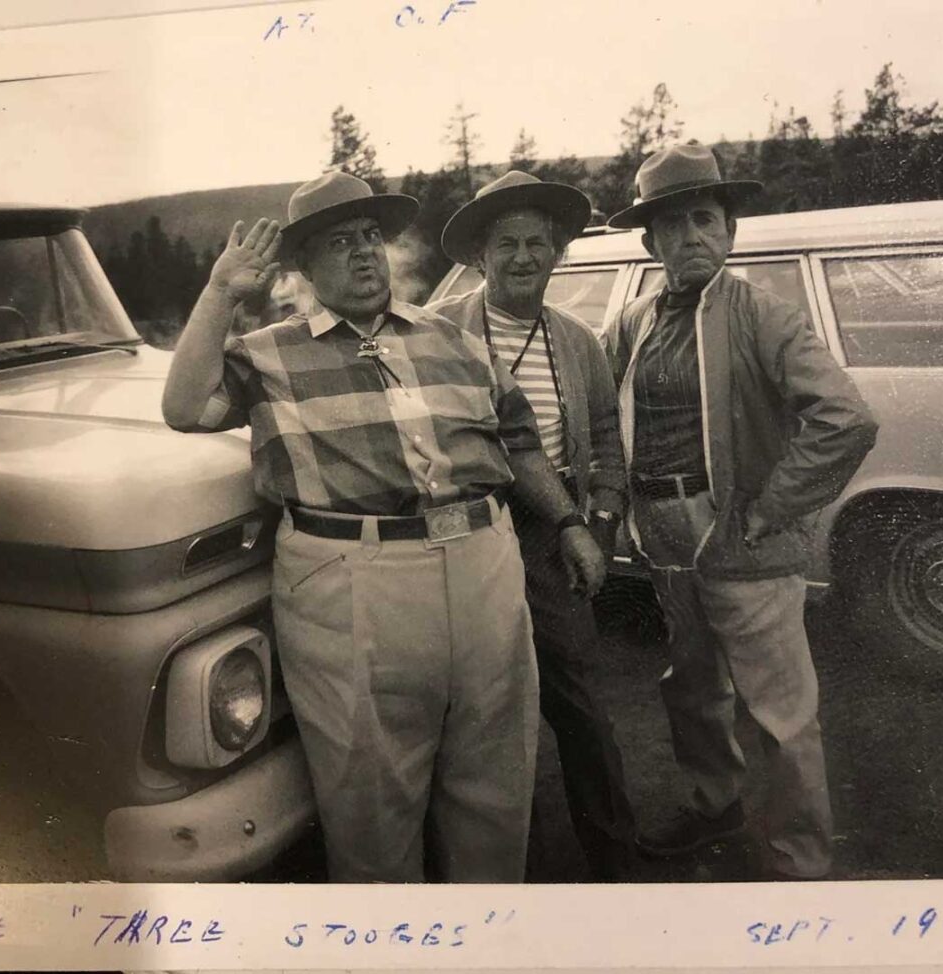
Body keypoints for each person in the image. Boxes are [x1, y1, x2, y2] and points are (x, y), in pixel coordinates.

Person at [161, 171, 606, 883]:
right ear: (303, 268)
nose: (365, 254)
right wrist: (221, 294)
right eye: (340, 243)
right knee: (370, 800)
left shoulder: (453, 339)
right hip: (355, 581)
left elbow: (518, 441)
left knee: (496, 785)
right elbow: (185, 408)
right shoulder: (267, 353)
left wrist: (570, 524)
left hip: (483, 564)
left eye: (372, 237)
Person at [602, 144, 878, 880]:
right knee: (690, 686)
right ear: (649, 241)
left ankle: (797, 862)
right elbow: (600, 413)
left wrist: (768, 509)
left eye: (704, 220)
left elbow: (846, 419)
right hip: (663, 535)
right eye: (672, 224)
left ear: (729, 232)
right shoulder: (632, 323)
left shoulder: (762, 315)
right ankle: (713, 800)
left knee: (779, 713)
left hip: (743, 535)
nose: (690, 237)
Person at [429, 170, 638, 881]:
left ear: (557, 254)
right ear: (480, 257)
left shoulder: (579, 342)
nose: (524, 258)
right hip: (466, 534)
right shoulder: (436, 332)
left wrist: (598, 528)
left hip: (558, 533)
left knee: (580, 703)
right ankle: (504, 870)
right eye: (508, 245)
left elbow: (608, 442)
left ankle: (617, 861)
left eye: (539, 245)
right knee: (477, 713)